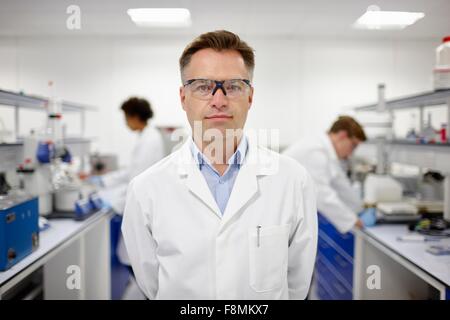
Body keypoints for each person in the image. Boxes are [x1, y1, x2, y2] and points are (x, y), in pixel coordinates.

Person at [122, 30, 318, 300]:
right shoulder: (146, 189)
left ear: (250, 97)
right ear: (183, 98)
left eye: (234, 86)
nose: (218, 99)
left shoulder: (293, 180)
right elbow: (152, 284)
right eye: (202, 86)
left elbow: (296, 281)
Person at [283, 116, 376, 234]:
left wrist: (360, 208)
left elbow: (341, 185)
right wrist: (353, 220)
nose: (351, 153)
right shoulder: (316, 150)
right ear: (342, 135)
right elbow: (322, 194)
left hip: (289, 209)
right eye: (353, 145)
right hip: (279, 209)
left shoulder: (327, 152)